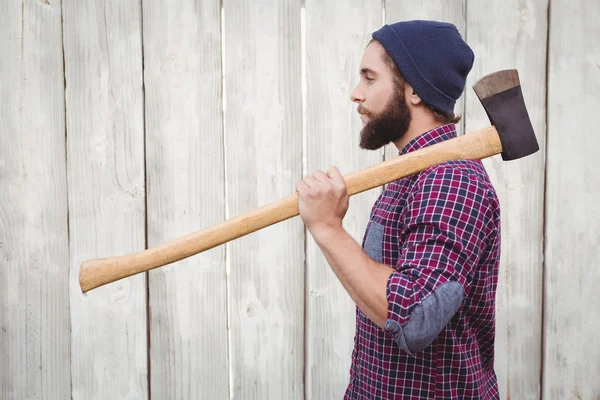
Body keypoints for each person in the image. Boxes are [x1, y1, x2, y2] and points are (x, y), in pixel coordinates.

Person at [297, 20, 501, 399]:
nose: (355, 94)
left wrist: (328, 229)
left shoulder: (450, 180)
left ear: (413, 90)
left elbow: (415, 318)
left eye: (369, 78)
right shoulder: (413, 173)